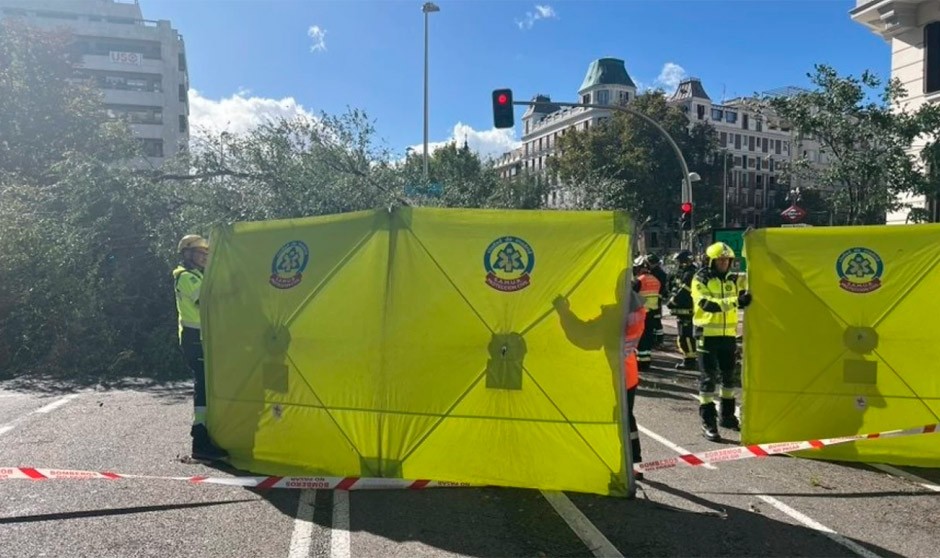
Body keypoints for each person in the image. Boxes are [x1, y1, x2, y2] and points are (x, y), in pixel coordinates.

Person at [174, 234, 228, 461]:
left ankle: (208, 434)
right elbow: (208, 302)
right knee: (204, 385)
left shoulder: (201, 275)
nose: (204, 257)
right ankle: (200, 438)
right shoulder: (186, 277)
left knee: (210, 385)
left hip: (206, 337)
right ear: (187, 254)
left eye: (206, 253)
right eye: (199, 253)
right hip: (195, 338)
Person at [691, 241, 751, 442]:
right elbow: (707, 304)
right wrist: (736, 301)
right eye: (720, 260)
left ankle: (727, 417)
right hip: (707, 335)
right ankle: (708, 422)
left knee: (729, 378)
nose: (724, 263)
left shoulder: (733, 279)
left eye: (727, 260)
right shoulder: (700, 279)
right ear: (711, 261)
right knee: (708, 380)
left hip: (728, 336)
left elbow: (753, 278)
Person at [666, 250, 698, 370]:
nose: (678, 264)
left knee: (687, 336)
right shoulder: (684, 272)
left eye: (680, 261)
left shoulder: (690, 274)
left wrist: (672, 302)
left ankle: (690, 361)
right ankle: (687, 358)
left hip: (687, 310)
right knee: (683, 336)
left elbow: (684, 292)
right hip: (682, 311)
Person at [633, 256, 661, 372]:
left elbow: (632, 295)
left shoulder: (639, 281)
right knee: (648, 337)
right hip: (652, 313)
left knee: (641, 338)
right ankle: (646, 360)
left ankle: (641, 362)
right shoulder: (655, 279)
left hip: (641, 313)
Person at [645, 253, 669, 347]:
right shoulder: (659, 272)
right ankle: (658, 339)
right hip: (656, 299)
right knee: (656, 319)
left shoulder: (656, 273)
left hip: (655, 299)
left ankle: (658, 340)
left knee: (655, 320)